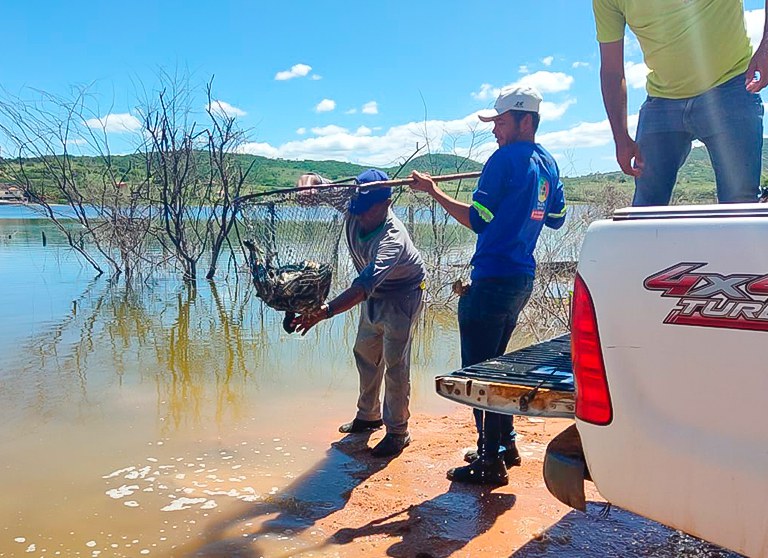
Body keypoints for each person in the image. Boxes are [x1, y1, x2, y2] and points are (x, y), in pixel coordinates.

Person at [410, 86, 566, 486]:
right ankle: (505, 443)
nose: (495, 130)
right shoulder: (547, 162)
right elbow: (557, 218)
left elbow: (477, 220)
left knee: (479, 378)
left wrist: (433, 191)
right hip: (521, 280)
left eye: (500, 122)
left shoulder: (502, 161)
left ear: (524, 120)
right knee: (498, 371)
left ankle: (489, 460)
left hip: (493, 278)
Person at [292, 169, 426, 458]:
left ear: (387, 203)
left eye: (367, 210)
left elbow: (362, 286)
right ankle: (368, 416)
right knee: (365, 352)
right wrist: (307, 184)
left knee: (396, 362)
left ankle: (398, 431)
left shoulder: (393, 239)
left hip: (402, 294)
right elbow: (315, 180)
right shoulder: (354, 201)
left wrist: (325, 311)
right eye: (356, 209)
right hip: (374, 294)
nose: (360, 215)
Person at [593, 0, 768, 206]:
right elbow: (612, 70)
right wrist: (620, 137)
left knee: (740, 206)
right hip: (662, 101)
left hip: (731, 87)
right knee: (645, 209)